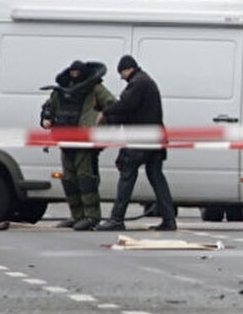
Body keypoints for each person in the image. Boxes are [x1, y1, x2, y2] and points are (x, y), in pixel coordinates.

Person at [95, 55, 176, 231]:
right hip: (154, 139)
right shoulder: (145, 81)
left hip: (141, 139)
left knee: (127, 176)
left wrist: (105, 112)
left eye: (121, 72)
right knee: (157, 179)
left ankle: (116, 219)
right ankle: (169, 219)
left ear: (128, 69)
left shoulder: (138, 83)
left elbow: (126, 106)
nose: (121, 77)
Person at [40, 61, 116, 230]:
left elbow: (111, 103)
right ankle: (77, 215)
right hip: (65, 139)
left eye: (77, 72)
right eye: (72, 72)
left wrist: (102, 118)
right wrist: (46, 119)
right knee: (69, 180)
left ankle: (91, 216)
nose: (74, 75)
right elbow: (48, 108)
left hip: (84, 141)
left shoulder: (94, 88)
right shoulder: (62, 90)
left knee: (85, 179)